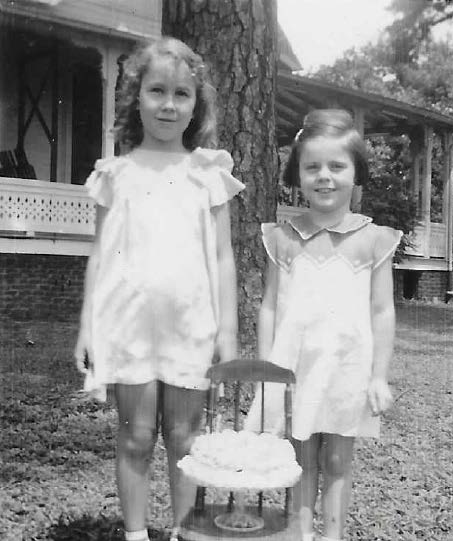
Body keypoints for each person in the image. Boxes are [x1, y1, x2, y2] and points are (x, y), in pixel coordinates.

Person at [74, 37, 244, 541]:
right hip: (128, 325)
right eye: (157, 91)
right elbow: (101, 254)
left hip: (190, 323)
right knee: (136, 436)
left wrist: (228, 330)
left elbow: (222, 256)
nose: (169, 105)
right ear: (136, 97)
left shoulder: (206, 172)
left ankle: (182, 531)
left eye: (181, 94)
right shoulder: (116, 174)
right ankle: (134, 534)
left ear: (197, 104)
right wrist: (87, 327)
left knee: (185, 437)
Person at [245, 109, 402, 541]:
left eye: (337, 166)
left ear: (357, 175)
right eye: (312, 166)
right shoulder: (284, 237)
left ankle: (330, 536)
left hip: (346, 368)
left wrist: (378, 376)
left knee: (337, 462)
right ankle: (299, 535)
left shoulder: (373, 239)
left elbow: (381, 311)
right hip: (295, 368)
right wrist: (267, 372)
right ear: (297, 174)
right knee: (300, 458)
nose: (324, 177)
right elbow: (271, 307)